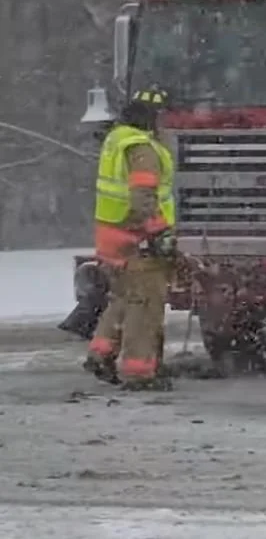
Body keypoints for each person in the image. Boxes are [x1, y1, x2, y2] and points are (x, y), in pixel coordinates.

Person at [83, 87, 179, 391]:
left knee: (122, 299)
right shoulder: (143, 149)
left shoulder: (117, 139)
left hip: (113, 237)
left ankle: (101, 354)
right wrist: (157, 234)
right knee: (145, 305)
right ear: (152, 117)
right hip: (138, 239)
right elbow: (143, 198)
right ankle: (139, 372)